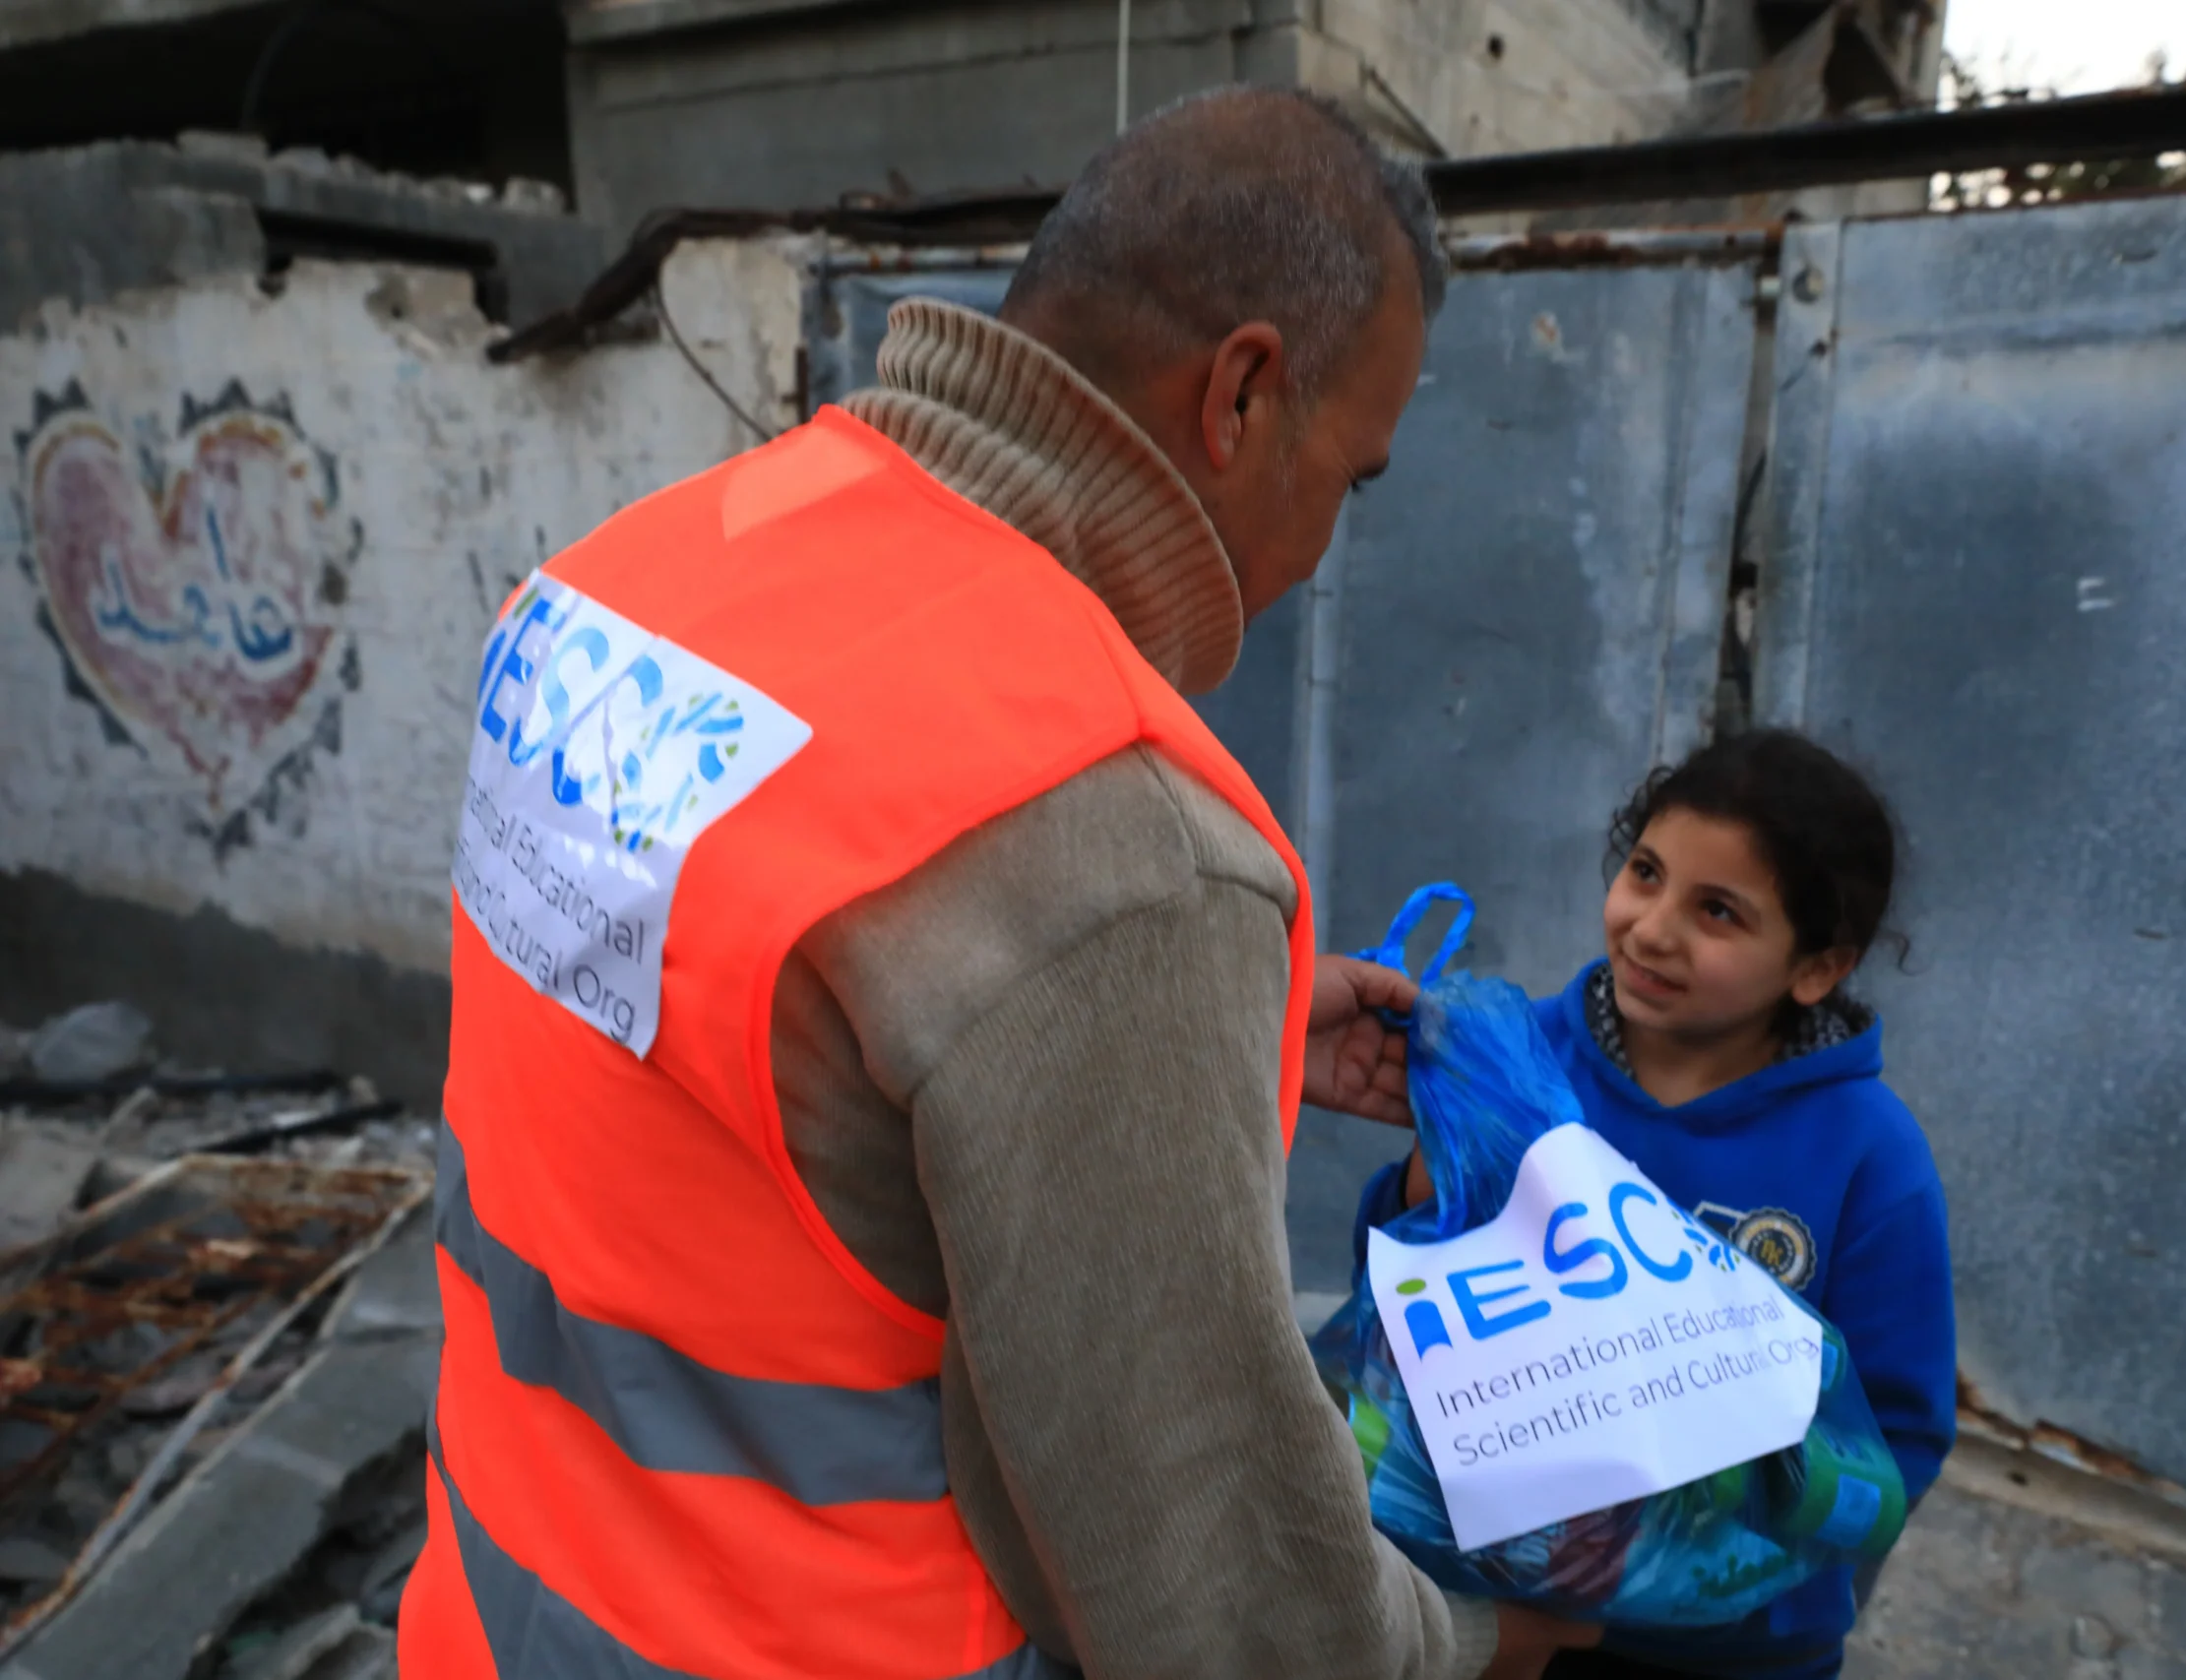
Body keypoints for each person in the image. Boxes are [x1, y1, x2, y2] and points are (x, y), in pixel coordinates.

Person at [402, 87, 1591, 1680]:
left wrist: (1136, 1045)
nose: (1323, 541)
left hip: (501, 1609)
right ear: (1240, 396)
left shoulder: (629, 576)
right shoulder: (1112, 847)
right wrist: (1478, 1638)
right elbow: (1226, 1610)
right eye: (1352, 475)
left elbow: (728, 1035)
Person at [1356, 728, 1957, 1679]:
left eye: (1717, 910)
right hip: (1491, 1610)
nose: (1652, 927)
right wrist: (1415, 1194)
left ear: (1816, 967)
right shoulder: (1523, 1065)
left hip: (1727, 1648)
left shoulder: (1868, 1157)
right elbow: (1395, 1290)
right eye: (1646, 871)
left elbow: (1900, 1429)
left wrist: (1756, 1499)